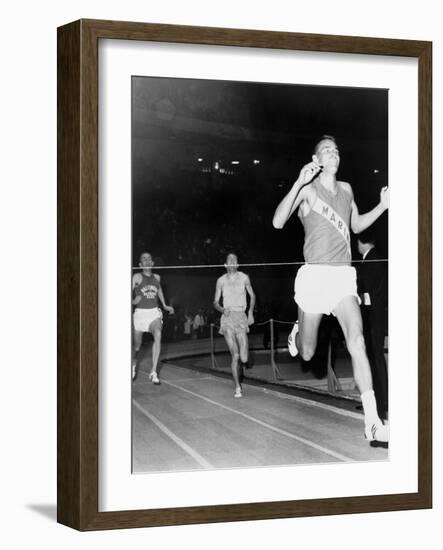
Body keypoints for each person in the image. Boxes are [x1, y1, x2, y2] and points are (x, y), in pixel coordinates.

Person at [272, 135, 389, 442]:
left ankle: (373, 421)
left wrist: (383, 205)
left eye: (336, 150)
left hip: (342, 277)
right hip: (314, 277)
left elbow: (357, 225)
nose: (333, 154)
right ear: (317, 159)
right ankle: (300, 328)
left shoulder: (347, 189)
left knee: (358, 341)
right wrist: (298, 182)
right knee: (308, 353)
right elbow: (277, 222)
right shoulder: (308, 190)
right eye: (327, 150)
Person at [213, 253, 256, 398]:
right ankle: (237, 387)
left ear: (237, 264)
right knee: (235, 355)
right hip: (227, 318)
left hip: (241, 317)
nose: (232, 261)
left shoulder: (244, 277)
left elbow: (253, 295)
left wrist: (250, 313)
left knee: (244, 358)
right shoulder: (220, 281)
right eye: (229, 260)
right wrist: (221, 309)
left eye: (234, 260)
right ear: (225, 265)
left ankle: (241, 366)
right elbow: (215, 302)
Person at [357, 232, 389, 420]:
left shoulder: (372, 260)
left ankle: (381, 403)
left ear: (363, 242)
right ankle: (378, 402)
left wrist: (354, 299)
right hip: (373, 317)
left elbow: (371, 293)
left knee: (375, 358)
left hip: (373, 318)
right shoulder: (372, 259)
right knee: (372, 357)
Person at [132, 252, 174, 383]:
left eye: (149, 258)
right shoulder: (136, 277)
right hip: (140, 314)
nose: (146, 260)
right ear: (140, 264)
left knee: (158, 333)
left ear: (152, 263)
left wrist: (165, 305)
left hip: (153, 313)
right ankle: (133, 364)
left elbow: (159, 290)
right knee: (136, 347)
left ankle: (153, 371)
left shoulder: (157, 277)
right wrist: (133, 301)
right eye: (143, 259)